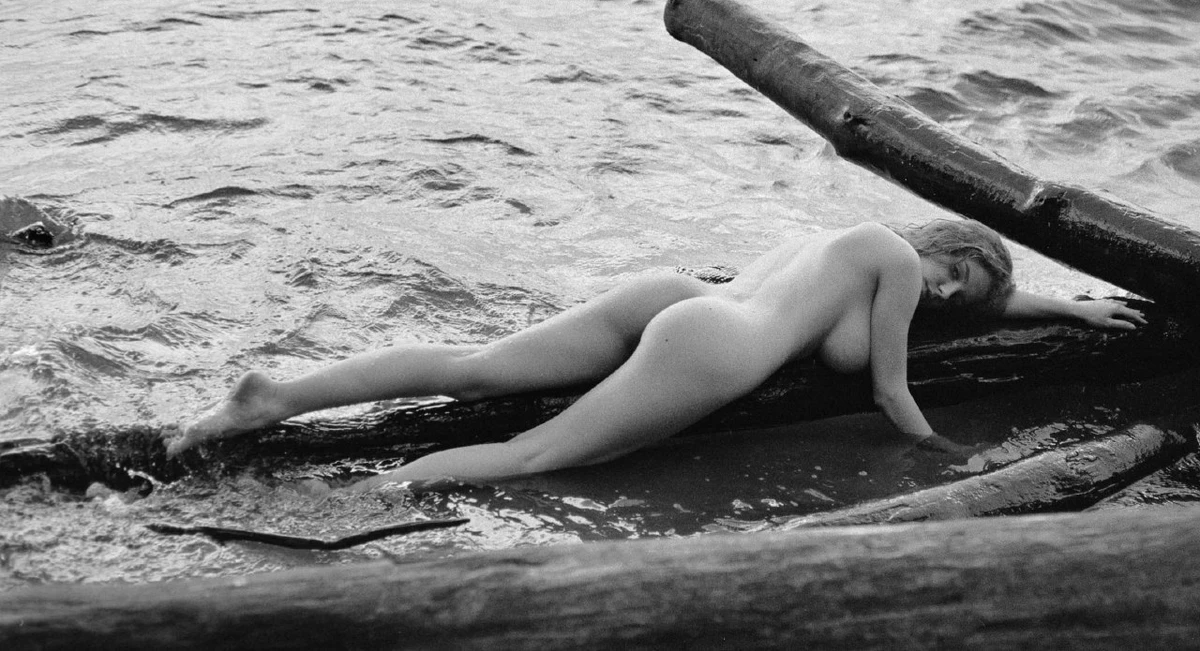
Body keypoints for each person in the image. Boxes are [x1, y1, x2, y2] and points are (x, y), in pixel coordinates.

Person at [164, 219, 1146, 488]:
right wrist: (944, 454)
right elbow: (890, 388)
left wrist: (1061, 306)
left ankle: (275, 396)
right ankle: (379, 494)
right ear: (941, 243)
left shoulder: (851, 245)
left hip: (677, 297)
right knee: (537, 455)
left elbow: (980, 296)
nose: (947, 298)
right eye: (954, 275)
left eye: (964, 297)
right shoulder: (893, 261)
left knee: (474, 363)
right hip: (712, 342)